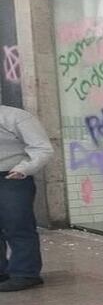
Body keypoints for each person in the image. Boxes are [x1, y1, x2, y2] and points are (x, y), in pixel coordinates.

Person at [0, 105, 55, 292]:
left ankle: (25, 273)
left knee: (17, 225)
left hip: (11, 177)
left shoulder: (15, 116)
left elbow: (42, 148)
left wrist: (24, 169)